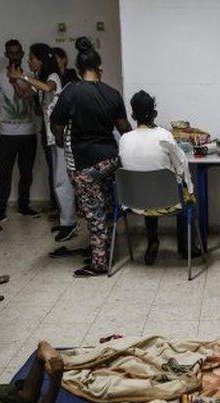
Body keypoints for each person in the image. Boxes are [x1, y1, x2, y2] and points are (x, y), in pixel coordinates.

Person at [49, 37, 131, 277]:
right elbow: (124, 128)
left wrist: (67, 143)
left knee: (93, 211)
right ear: (100, 68)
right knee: (105, 206)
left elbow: (56, 126)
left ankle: (99, 263)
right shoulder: (112, 93)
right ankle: (104, 249)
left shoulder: (70, 92)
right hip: (110, 160)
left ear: (80, 68)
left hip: (84, 163)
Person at [118, 90, 200, 264]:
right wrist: (188, 189)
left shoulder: (124, 139)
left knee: (148, 189)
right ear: (155, 114)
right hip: (167, 202)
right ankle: (188, 248)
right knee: (186, 191)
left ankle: (152, 240)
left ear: (132, 115)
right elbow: (182, 166)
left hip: (134, 203)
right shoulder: (164, 136)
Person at [10, 43, 77, 236]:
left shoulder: (52, 77)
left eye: (31, 58)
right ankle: (66, 220)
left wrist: (22, 76)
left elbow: (48, 87)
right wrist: (14, 81)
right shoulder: (40, 79)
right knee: (57, 179)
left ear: (41, 60)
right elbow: (24, 94)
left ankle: (69, 223)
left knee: (61, 181)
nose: (29, 61)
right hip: (51, 136)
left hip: (61, 136)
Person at [0, 40, 39, 223]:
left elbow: (33, 100)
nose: (14, 55)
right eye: (11, 52)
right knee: (4, 173)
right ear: (6, 55)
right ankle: (0, 209)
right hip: (7, 134)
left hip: (28, 132)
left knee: (26, 172)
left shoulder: (30, 76)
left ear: (22, 53)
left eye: (17, 52)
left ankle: (24, 206)